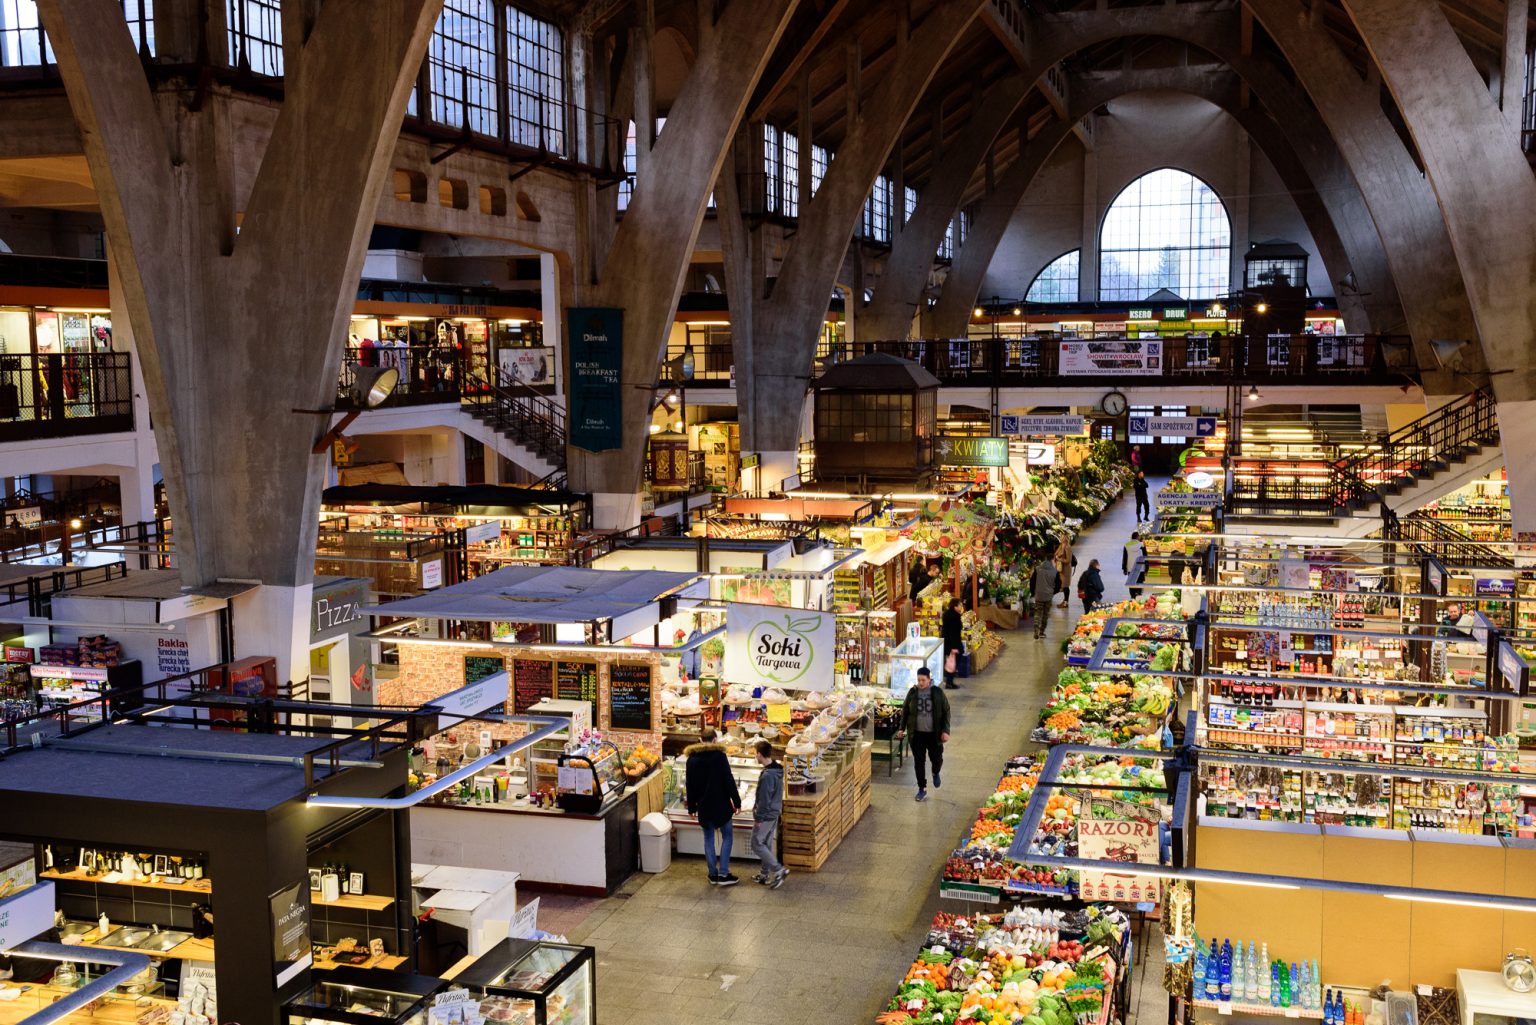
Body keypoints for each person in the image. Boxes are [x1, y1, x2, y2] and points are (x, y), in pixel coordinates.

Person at [684, 727, 741, 886]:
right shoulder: (720, 757)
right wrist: (737, 802)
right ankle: (723, 874)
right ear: (715, 740)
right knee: (727, 837)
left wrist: (691, 808)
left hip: (704, 806)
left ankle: (712, 874)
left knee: (708, 839)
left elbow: (690, 785)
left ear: (701, 740)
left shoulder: (692, 760)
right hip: (722, 805)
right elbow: (728, 780)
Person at [903, 667, 951, 802]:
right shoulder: (913, 692)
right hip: (917, 735)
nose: (920, 682)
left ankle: (936, 772)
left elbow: (946, 711)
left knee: (937, 759)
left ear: (929, 680)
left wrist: (945, 731)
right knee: (919, 763)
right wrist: (902, 728)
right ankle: (922, 788)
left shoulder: (937, 692)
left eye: (923, 680)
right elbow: (905, 710)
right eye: (918, 680)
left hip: (934, 735)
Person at [750, 739, 788, 889]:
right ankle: (764, 874)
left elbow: (764, 799)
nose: (755, 756)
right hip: (775, 811)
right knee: (765, 843)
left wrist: (759, 818)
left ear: (759, 754)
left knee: (756, 843)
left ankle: (779, 870)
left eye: (755, 754)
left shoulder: (767, 776)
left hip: (766, 814)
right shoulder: (777, 770)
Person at [1032, 558, 1060, 639]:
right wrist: (1053, 592)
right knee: (1045, 614)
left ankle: (1036, 629)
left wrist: (1033, 592)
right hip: (1048, 596)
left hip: (1039, 595)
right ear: (1052, 561)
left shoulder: (1037, 569)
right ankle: (1041, 632)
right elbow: (1058, 585)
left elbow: (1032, 582)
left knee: (1037, 612)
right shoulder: (1055, 571)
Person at [941, 597, 965, 691]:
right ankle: (949, 682)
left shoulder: (948, 614)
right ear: (955, 606)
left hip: (949, 643)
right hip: (953, 644)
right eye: (960, 605)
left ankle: (949, 681)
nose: (961, 607)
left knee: (951, 662)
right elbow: (953, 633)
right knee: (952, 662)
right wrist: (954, 647)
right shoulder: (954, 617)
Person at [1054, 536, 1075, 609]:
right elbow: (1056, 553)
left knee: (1065, 586)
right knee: (1063, 585)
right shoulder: (1061, 545)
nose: (1060, 538)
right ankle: (1064, 601)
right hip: (1061, 569)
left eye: (1061, 537)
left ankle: (1066, 602)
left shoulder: (1067, 547)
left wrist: (1059, 559)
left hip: (1066, 570)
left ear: (1065, 539)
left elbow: (1068, 560)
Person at [1123, 531, 1144, 599]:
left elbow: (1125, 557)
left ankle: (1132, 596)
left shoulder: (1126, 545)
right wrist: (1147, 568)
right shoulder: (1142, 545)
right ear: (1137, 537)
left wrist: (1124, 568)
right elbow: (1145, 556)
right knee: (1140, 581)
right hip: (1140, 567)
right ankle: (1139, 594)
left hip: (1130, 567)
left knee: (1131, 583)